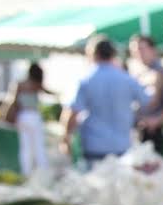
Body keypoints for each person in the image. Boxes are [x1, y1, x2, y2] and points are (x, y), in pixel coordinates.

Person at [62, 36, 148, 166]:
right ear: (113, 54)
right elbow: (147, 103)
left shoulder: (86, 81)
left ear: (92, 54)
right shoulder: (128, 80)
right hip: (122, 147)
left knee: (96, 184)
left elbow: (72, 113)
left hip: (94, 147)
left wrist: (66, 139)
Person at [7, 63, 51, 175]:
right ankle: (43, 171)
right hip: (33, 115)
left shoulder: (20, 84)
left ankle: (26, 172)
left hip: (23, 116)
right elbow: (47, 91)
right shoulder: (37, 85)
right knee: (38, 146)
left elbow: (13, 100)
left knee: (25, 146)